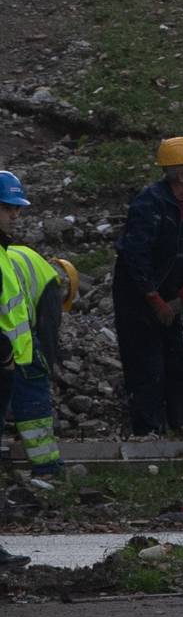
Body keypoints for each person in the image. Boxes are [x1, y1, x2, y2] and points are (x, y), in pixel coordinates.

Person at [111, 137, 183, 439]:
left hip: (170, 291)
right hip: (136, 296)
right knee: (145, 365)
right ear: (181, 174)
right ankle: (148, 430)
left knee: (176, 361)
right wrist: (153, 299)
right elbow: (136, 256)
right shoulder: (149, 204)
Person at [0, 195, 76, 478]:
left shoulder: (14, 255)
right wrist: (49, 368)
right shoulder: (50, 284)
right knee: (33, 393)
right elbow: (46, 335)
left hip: (9, 346)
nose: (15, 215)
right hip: (15, 347)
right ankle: (47, 467)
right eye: (8, 208)